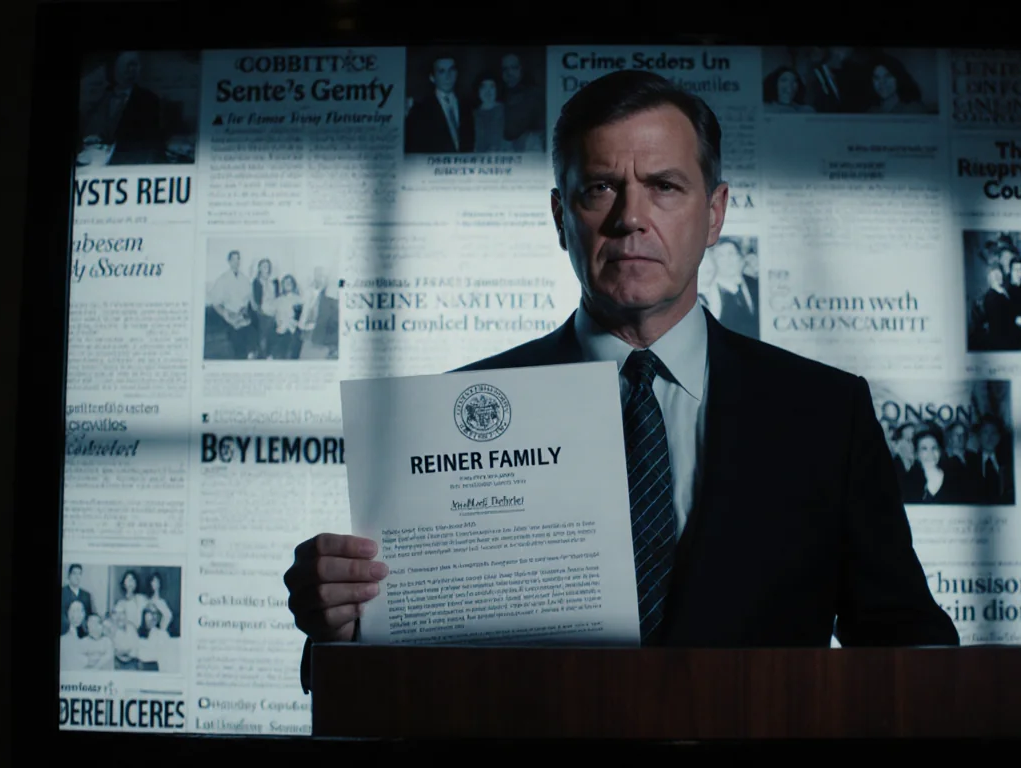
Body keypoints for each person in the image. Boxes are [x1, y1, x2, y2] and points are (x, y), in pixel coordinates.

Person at [284, 69, 957, 692]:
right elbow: (388, 678)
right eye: (600, 188)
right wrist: (342, 627)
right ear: (560, 218)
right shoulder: (451, 413)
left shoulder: (825, 414)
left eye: (664, 186)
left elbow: (908, 646)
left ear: (715, 213)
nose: (630, 217)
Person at [78, 51, 168, 165]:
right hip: (94, 164)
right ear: (113, 68)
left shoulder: (149, 100)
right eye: (127, 65)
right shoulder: (100, 97)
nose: (131, 70)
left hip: (130, 165)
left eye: (135, 65)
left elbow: (152, 142)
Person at [405, 54, 474, 153]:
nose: (448, 76)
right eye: (442, 71)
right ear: (432, 77)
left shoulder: (468, 105)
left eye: (451, 70)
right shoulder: (420, 110)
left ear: (457, 73)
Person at [207, 250, 254, 359]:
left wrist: (243, 311)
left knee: (250, 330)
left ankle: (250, 355)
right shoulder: (223, 279)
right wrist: (227, 315)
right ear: (229, 261)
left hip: (242, 315)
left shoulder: (244, 279)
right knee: (236, 335)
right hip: (227, 315)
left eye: (238, 259)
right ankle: (240, 356)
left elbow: (247, 299)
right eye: (233, 259)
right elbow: (216, 303)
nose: (236, 262)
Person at [709, 239, 759, 338]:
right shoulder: (709, 293)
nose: (727, 260)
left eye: (731, 254)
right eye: (721, 256)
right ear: (714, 262)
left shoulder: (755, 284)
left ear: (740, 258)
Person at [500, 53, 545, 152]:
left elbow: (544, 129)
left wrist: (528, 136)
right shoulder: (497, 97)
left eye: (514, 68)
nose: (509, 73)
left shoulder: (535, 95)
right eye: (505, 69)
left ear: (521, 69)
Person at [904, 427, 958, 503]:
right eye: (924, 448)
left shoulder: (953, 477)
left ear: (940, 451)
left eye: (934, 448)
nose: (930, 453)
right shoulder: (908, 480)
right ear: (916, 454)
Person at [298, 267, 339, 360]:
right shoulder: (309, 292)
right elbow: (304, 311)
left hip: (321, 337)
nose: (319, 279)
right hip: (307, 331)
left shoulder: (331, 296)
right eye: (317, 276)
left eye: (322, 276)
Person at [471, 72, 511, 153]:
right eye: (483, 87)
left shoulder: (506, 111)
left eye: (492, 87)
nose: (488, 91)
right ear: (478, 90)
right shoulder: (472, 115)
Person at [974, 416, 1011, 504]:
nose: (989, 437)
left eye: (994, 432)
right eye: (985, 432)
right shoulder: (970, 463)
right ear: (979, 436)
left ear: (999, 437)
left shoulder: (1008, 463)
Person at [252, 258, 279, 359]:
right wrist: (261, 311)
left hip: (273, 309)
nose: (266, 268)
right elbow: (256, 300)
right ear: (259, 268)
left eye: (267, 266)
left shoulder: (274, 282)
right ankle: (263, 354)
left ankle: (269, 353)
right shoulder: (256, 282)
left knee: (273, 328)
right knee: (265, 328)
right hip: (262, 310)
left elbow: (277, 297)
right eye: (263, 266)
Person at [273, 274, 304, 360]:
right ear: (282, 285)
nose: (288, 284)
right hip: (280, 331)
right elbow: (275, 316)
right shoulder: (278, 300)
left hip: (293, 331)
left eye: (290, 282)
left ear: (293, 284)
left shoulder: (299, 299)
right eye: (286, 282)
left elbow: (299, 317)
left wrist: (291, 325)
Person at [60, 563, 94, 636]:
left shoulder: (86, 595)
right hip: (64, 633)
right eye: (74, 573)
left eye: (79, 574)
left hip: (83, 633)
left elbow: (89, 616)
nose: (77, 577)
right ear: (69, 576)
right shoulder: (62, 592)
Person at [110, 600, 141, 670]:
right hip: (115, 664)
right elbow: (113, 651)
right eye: (116, 613)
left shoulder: (131, 628)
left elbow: (135, 649)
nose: (119, 617)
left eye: (122, 613)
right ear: (112, 616)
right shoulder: (110, 630)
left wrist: (125, 651)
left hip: (132, 663)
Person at [60, 600, 88, 671]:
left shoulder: (86, 633)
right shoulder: (64, 636)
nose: (78, 614)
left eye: (81, 611)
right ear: (67, 613)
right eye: (74, 611)